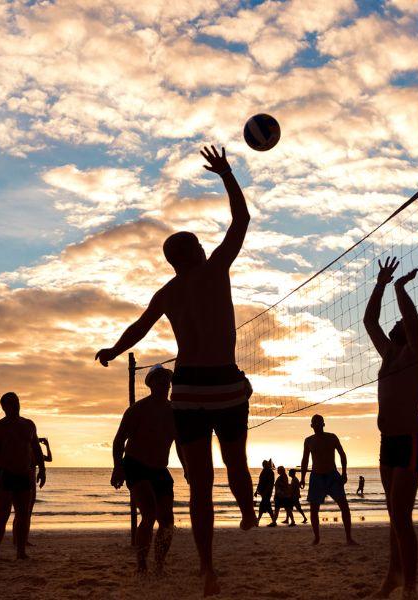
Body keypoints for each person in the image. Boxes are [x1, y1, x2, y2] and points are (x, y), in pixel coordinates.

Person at [94, 146, 255, 596]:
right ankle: (246, 512)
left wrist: (111, 349)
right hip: (223, 381)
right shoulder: (216, 268)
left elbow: (137, 330)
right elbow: (240, 223)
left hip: (186, 389)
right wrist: (226, 176)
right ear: (198, 252)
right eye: (202, 245)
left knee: (199, 487)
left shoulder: (167, 292)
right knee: (236, 461)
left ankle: (207, 570)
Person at [364, 257, 418, 599]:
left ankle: (411, 587)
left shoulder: (415, 352)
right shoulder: (389, 353)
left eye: (404, 323)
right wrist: (381, 284)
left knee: (401, 515)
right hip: (387, 441)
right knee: (394, 515)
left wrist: (401, 288)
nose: (397, 324)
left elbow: (411, 322)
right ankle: (392, 576)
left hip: (410, 440)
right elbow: (369, 320)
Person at [110, 365, 177, 574]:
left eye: (166, 379)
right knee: (148, 515)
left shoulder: (174, 411)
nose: (163, 383)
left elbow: (181, 444)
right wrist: (117, 468)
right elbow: (119, 440)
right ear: (150, 384)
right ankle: (142, 565)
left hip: (160, 468)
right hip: (135, 464)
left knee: (167, 522)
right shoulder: (138, 409)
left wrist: (188, 469)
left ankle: (159, 564)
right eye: (158, 379)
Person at [0, 392, 46, 561]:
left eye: (17, 401)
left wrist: (42, 469)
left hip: (24, 475)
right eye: (11, 403)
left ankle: (21, 552)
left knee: (23, 514)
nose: (16, 405)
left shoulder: (28, 425)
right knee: (2, 515)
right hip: (5, 475)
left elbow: (36, 449)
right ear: (4, 407)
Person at [301, 414, 355, 545]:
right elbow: (305, 460)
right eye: (315, 423)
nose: (318, 425)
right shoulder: (309, 440)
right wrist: (302, 478)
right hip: (316, 476)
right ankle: (316, 538)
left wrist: (344, 473)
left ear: (323, 424)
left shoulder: (332, 437)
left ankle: (349, 538)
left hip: (332, 475)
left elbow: (342, 454)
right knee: (314, 509)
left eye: (320, 423)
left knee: (344, 506)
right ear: (312, 425)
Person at [256, 460, 277, 528]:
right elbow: (260, 482)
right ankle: (273, 521)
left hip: (266, 493)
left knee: (264, 507)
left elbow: (270, 484)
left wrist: (266, 492)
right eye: (263, 464)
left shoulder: (270, 472)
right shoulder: (264, 471)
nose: (263, 465)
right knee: (266, 507)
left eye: (264, 464)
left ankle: (258, 521)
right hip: (263, 492)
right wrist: (257, 491)